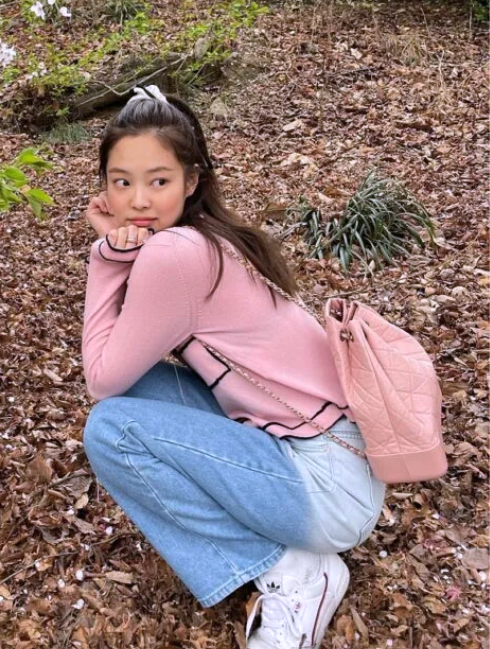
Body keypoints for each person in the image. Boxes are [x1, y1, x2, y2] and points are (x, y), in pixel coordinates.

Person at [79, 85, 385, 649]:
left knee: (111, 427)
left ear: (192, 181)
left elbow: (99, 376)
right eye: (122, 182)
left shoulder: (175, 255)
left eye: (159, 180)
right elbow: (119, 368)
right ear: (104, 187)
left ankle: (294, 573)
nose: (139, 200)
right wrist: (122, 255)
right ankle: (290, 558)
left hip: (326, 486)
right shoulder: (203, 239)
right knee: (136, 392)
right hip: (335, 462)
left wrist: (106, 260)